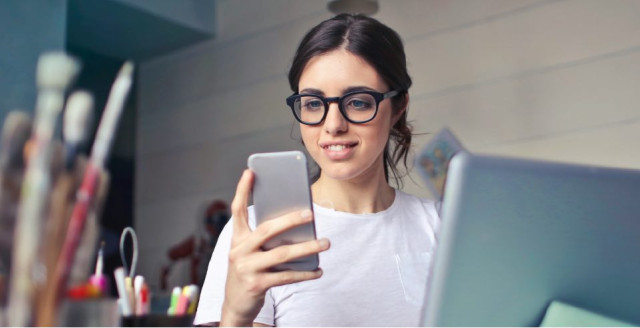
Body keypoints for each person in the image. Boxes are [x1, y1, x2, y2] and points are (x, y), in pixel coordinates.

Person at [195, 13, 440, 326]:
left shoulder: (441, 226)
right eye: (313, 103)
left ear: (398, 107)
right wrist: (235, 315)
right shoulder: (259, 234)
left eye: (358, 102)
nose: (333, 125)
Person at [161, 200, 230, 290]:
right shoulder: (197, 242)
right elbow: (172, 254)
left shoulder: (229, 242)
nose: (219, 226)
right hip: (198, 293)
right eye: (216, 221)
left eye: (222, 221)